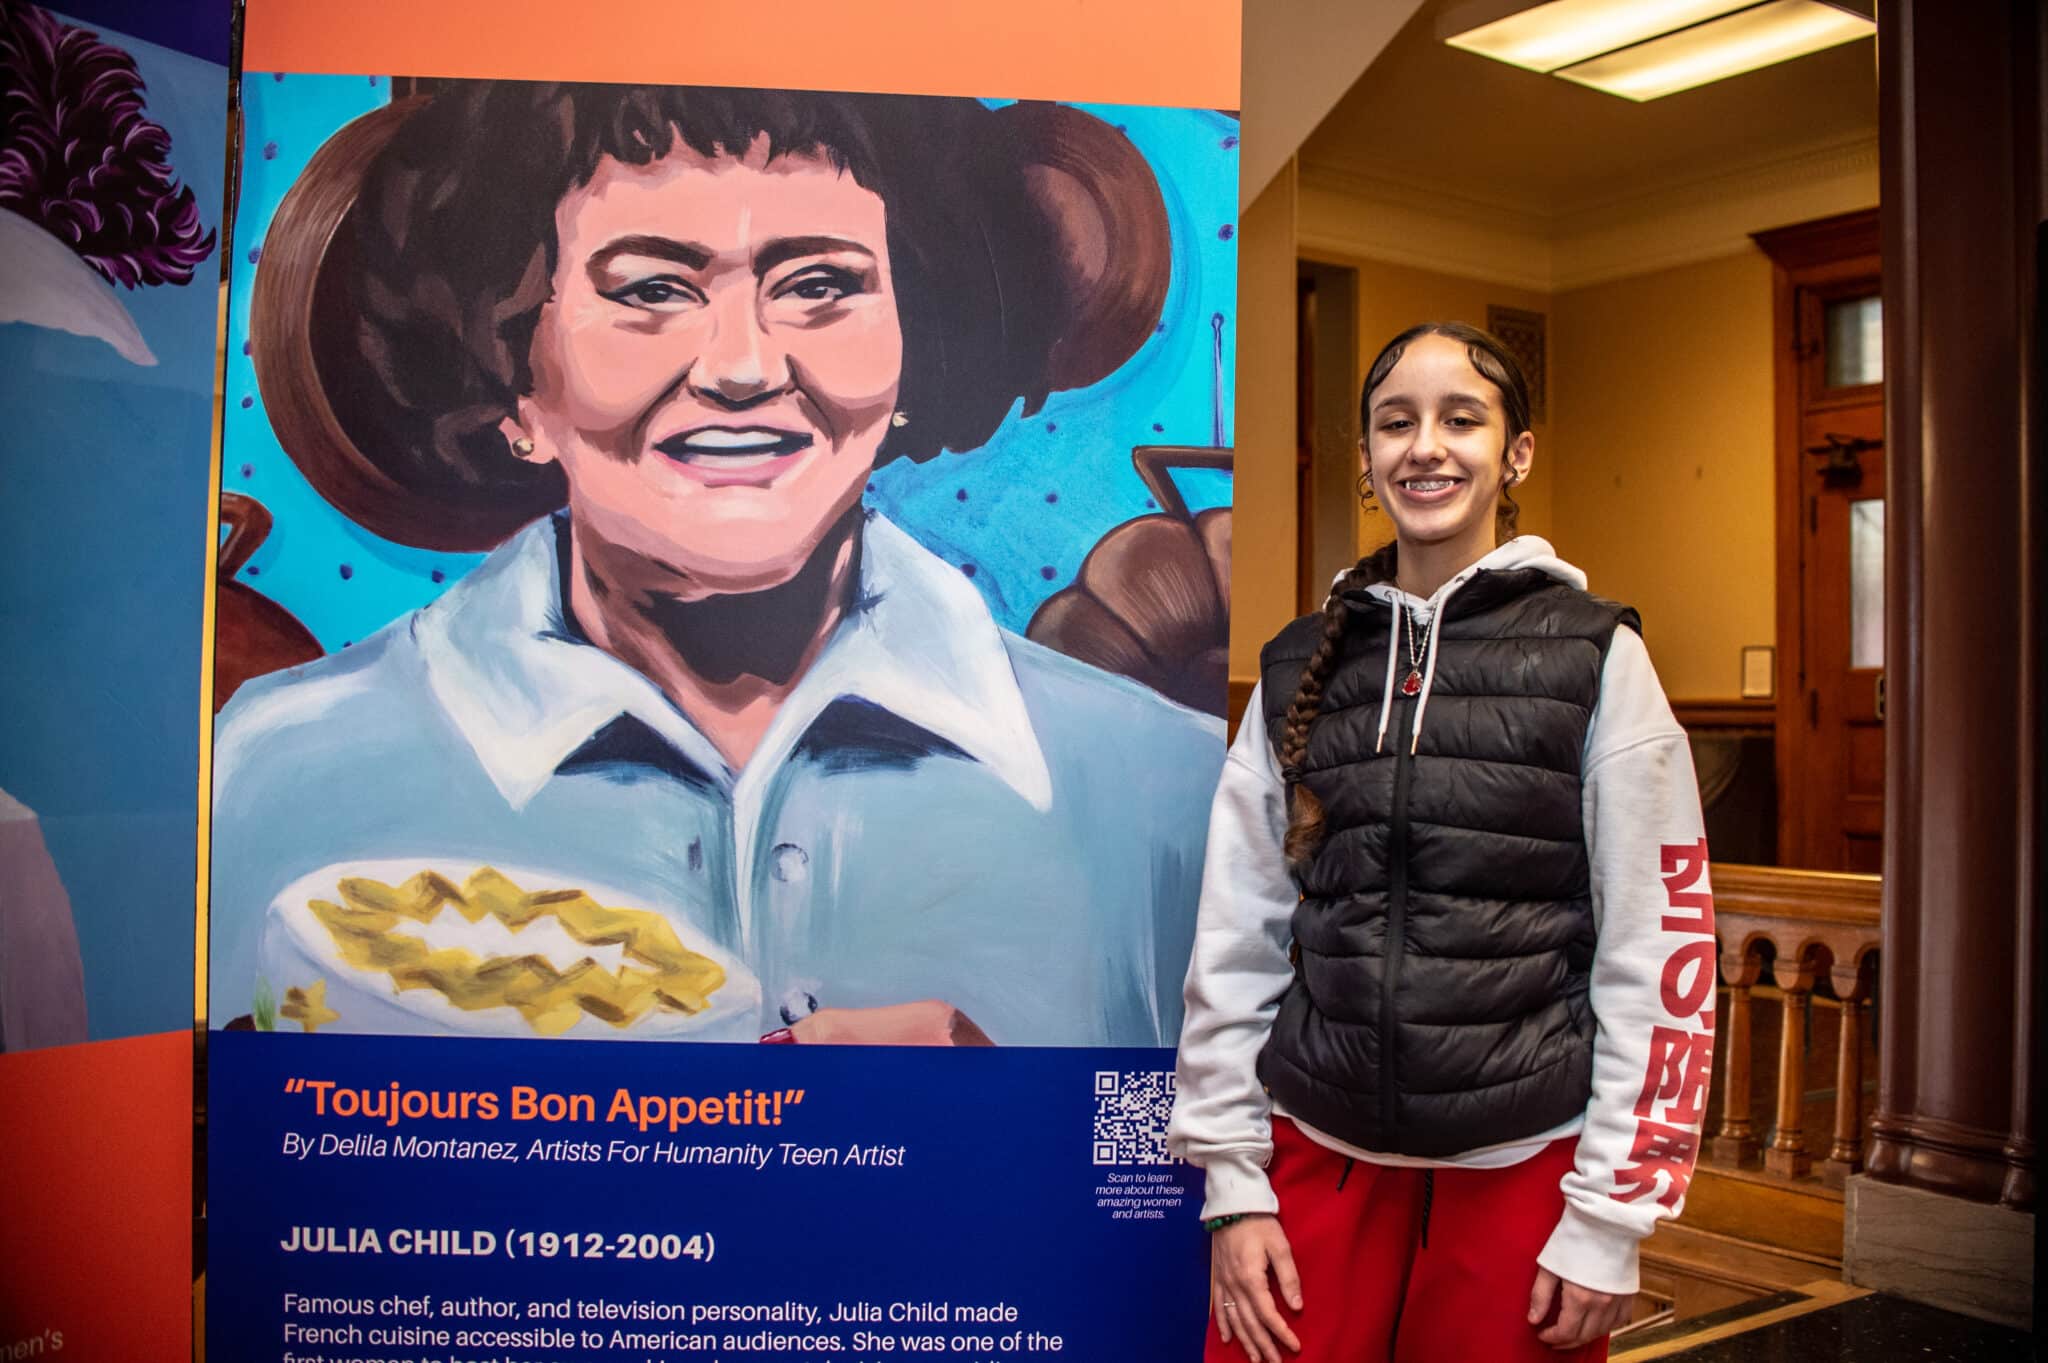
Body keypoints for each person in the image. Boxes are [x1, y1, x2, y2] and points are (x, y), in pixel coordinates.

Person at [209, 83, 1223, 1048]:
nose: (742, 367)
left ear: (916, 344)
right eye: (652, 288)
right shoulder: (276, 775)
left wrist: (997, 1119)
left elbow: (1193, 1173)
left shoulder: (1157, 791)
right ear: (512, 379)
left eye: (819, 285)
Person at [1168, 322, 1713, 1361]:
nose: (1426, 446)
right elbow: (1234, 936)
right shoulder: (1298, 666)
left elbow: (1661, 948)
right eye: (1395, 422)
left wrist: (1608, 1219)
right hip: (1314, 1161)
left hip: (1522, 1172)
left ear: (1515, 454)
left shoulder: (1597, 655)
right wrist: (1234, 1186)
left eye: (1461, 419)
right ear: (1366, 461)